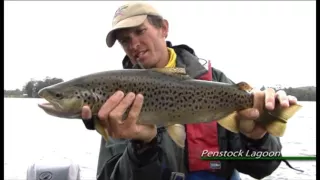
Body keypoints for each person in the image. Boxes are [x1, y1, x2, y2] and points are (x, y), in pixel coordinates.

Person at [81, 2, 299, 180]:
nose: (134, 44)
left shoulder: (216, 81)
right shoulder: (117, 101)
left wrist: (257, 138)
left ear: (163, 28)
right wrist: (142, 147)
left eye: (139, 31)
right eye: (124, 40)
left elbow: (262, 168)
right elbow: (112, 176)